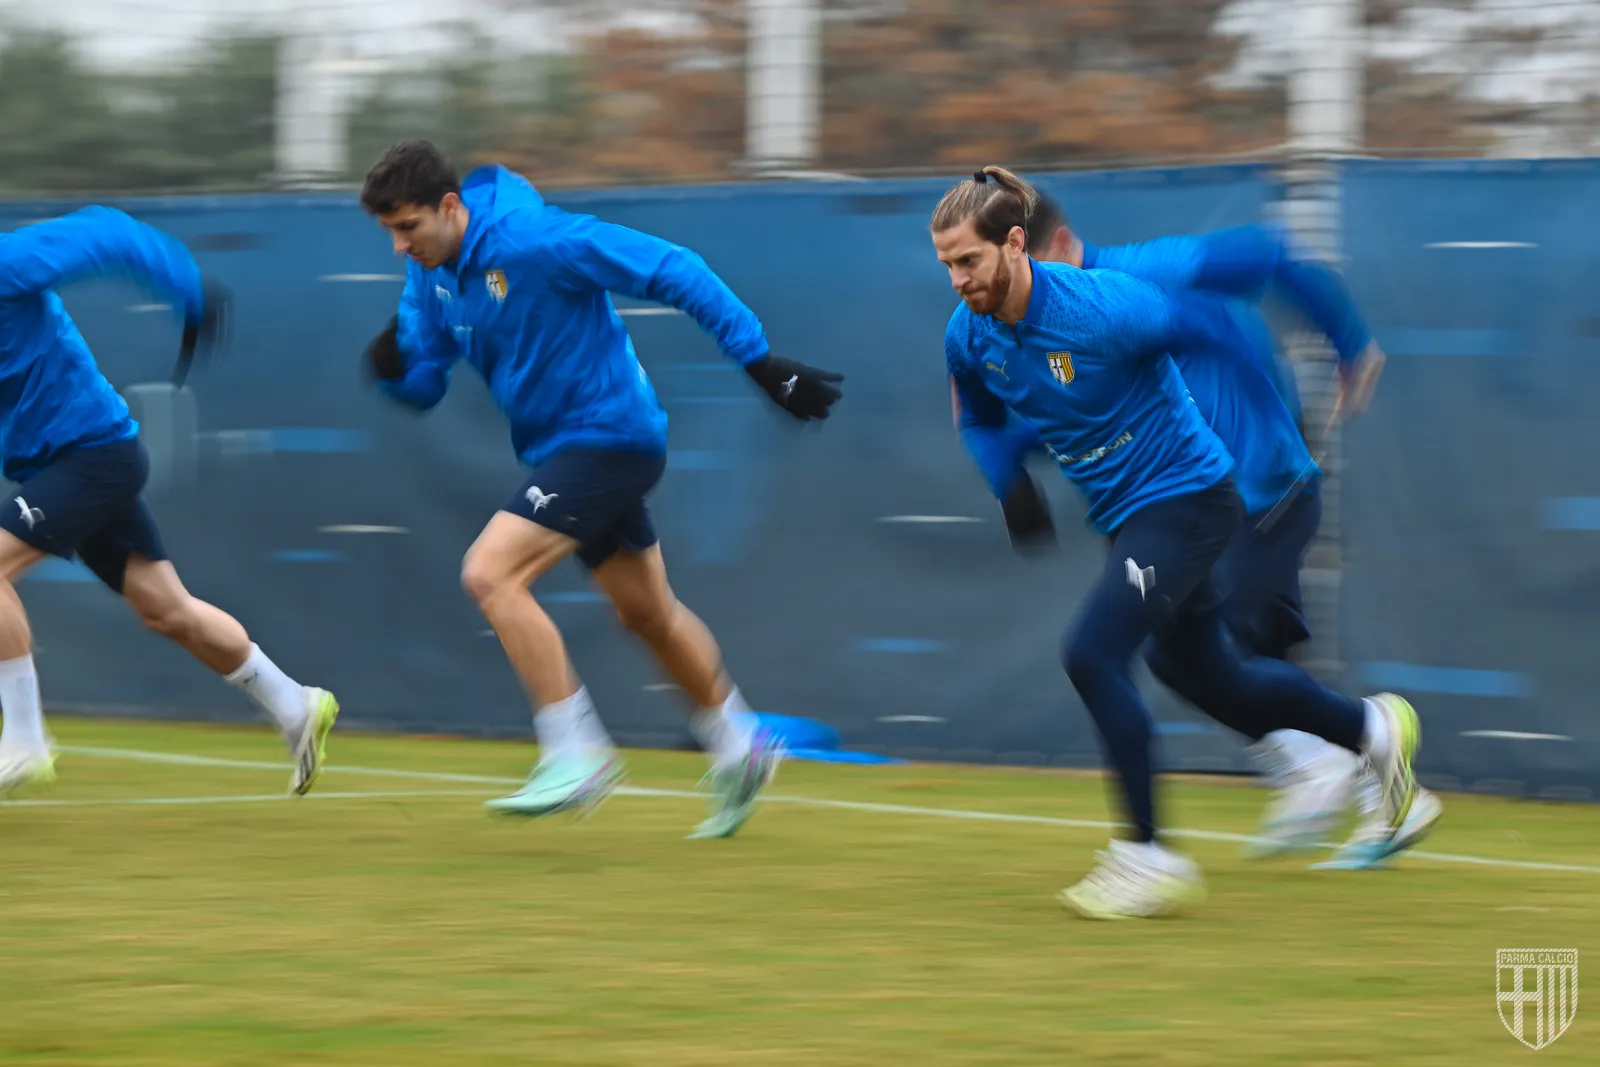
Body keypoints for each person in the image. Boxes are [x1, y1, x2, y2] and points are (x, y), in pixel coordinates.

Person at [933, 165, 1422, 919]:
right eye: (947, 265)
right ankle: (1371, 730)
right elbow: (979, 419)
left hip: (1192, 500)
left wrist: (1276, 405)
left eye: (969, 260)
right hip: (1128, 516)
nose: (959, 279)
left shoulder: (1107, 304)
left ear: (1018, 244)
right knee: (1211, 673)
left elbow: (1213, 328)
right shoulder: (968, 334)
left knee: (1092, 652)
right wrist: (1010, 482)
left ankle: (1148, 857)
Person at [357, 140, 844, 838]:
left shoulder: (535, 240)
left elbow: (673, 267)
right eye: (390, 232)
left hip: (610, 436)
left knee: (490, 574)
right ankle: (740, 743)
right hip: (560, 452)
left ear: (451, 207)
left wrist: (760, 361)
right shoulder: (428, 276)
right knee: (646, 613)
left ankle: (575, 752)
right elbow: (426, 376)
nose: (401, 246)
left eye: (409, 227)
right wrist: (396, 370)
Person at [0, 207, 339, 796]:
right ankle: (293, 703)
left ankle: (26, 740)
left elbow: (105, 233)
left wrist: (189, 287)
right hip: (65, 468)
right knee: (168, 611)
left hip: (92, 456)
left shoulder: (7, 263)